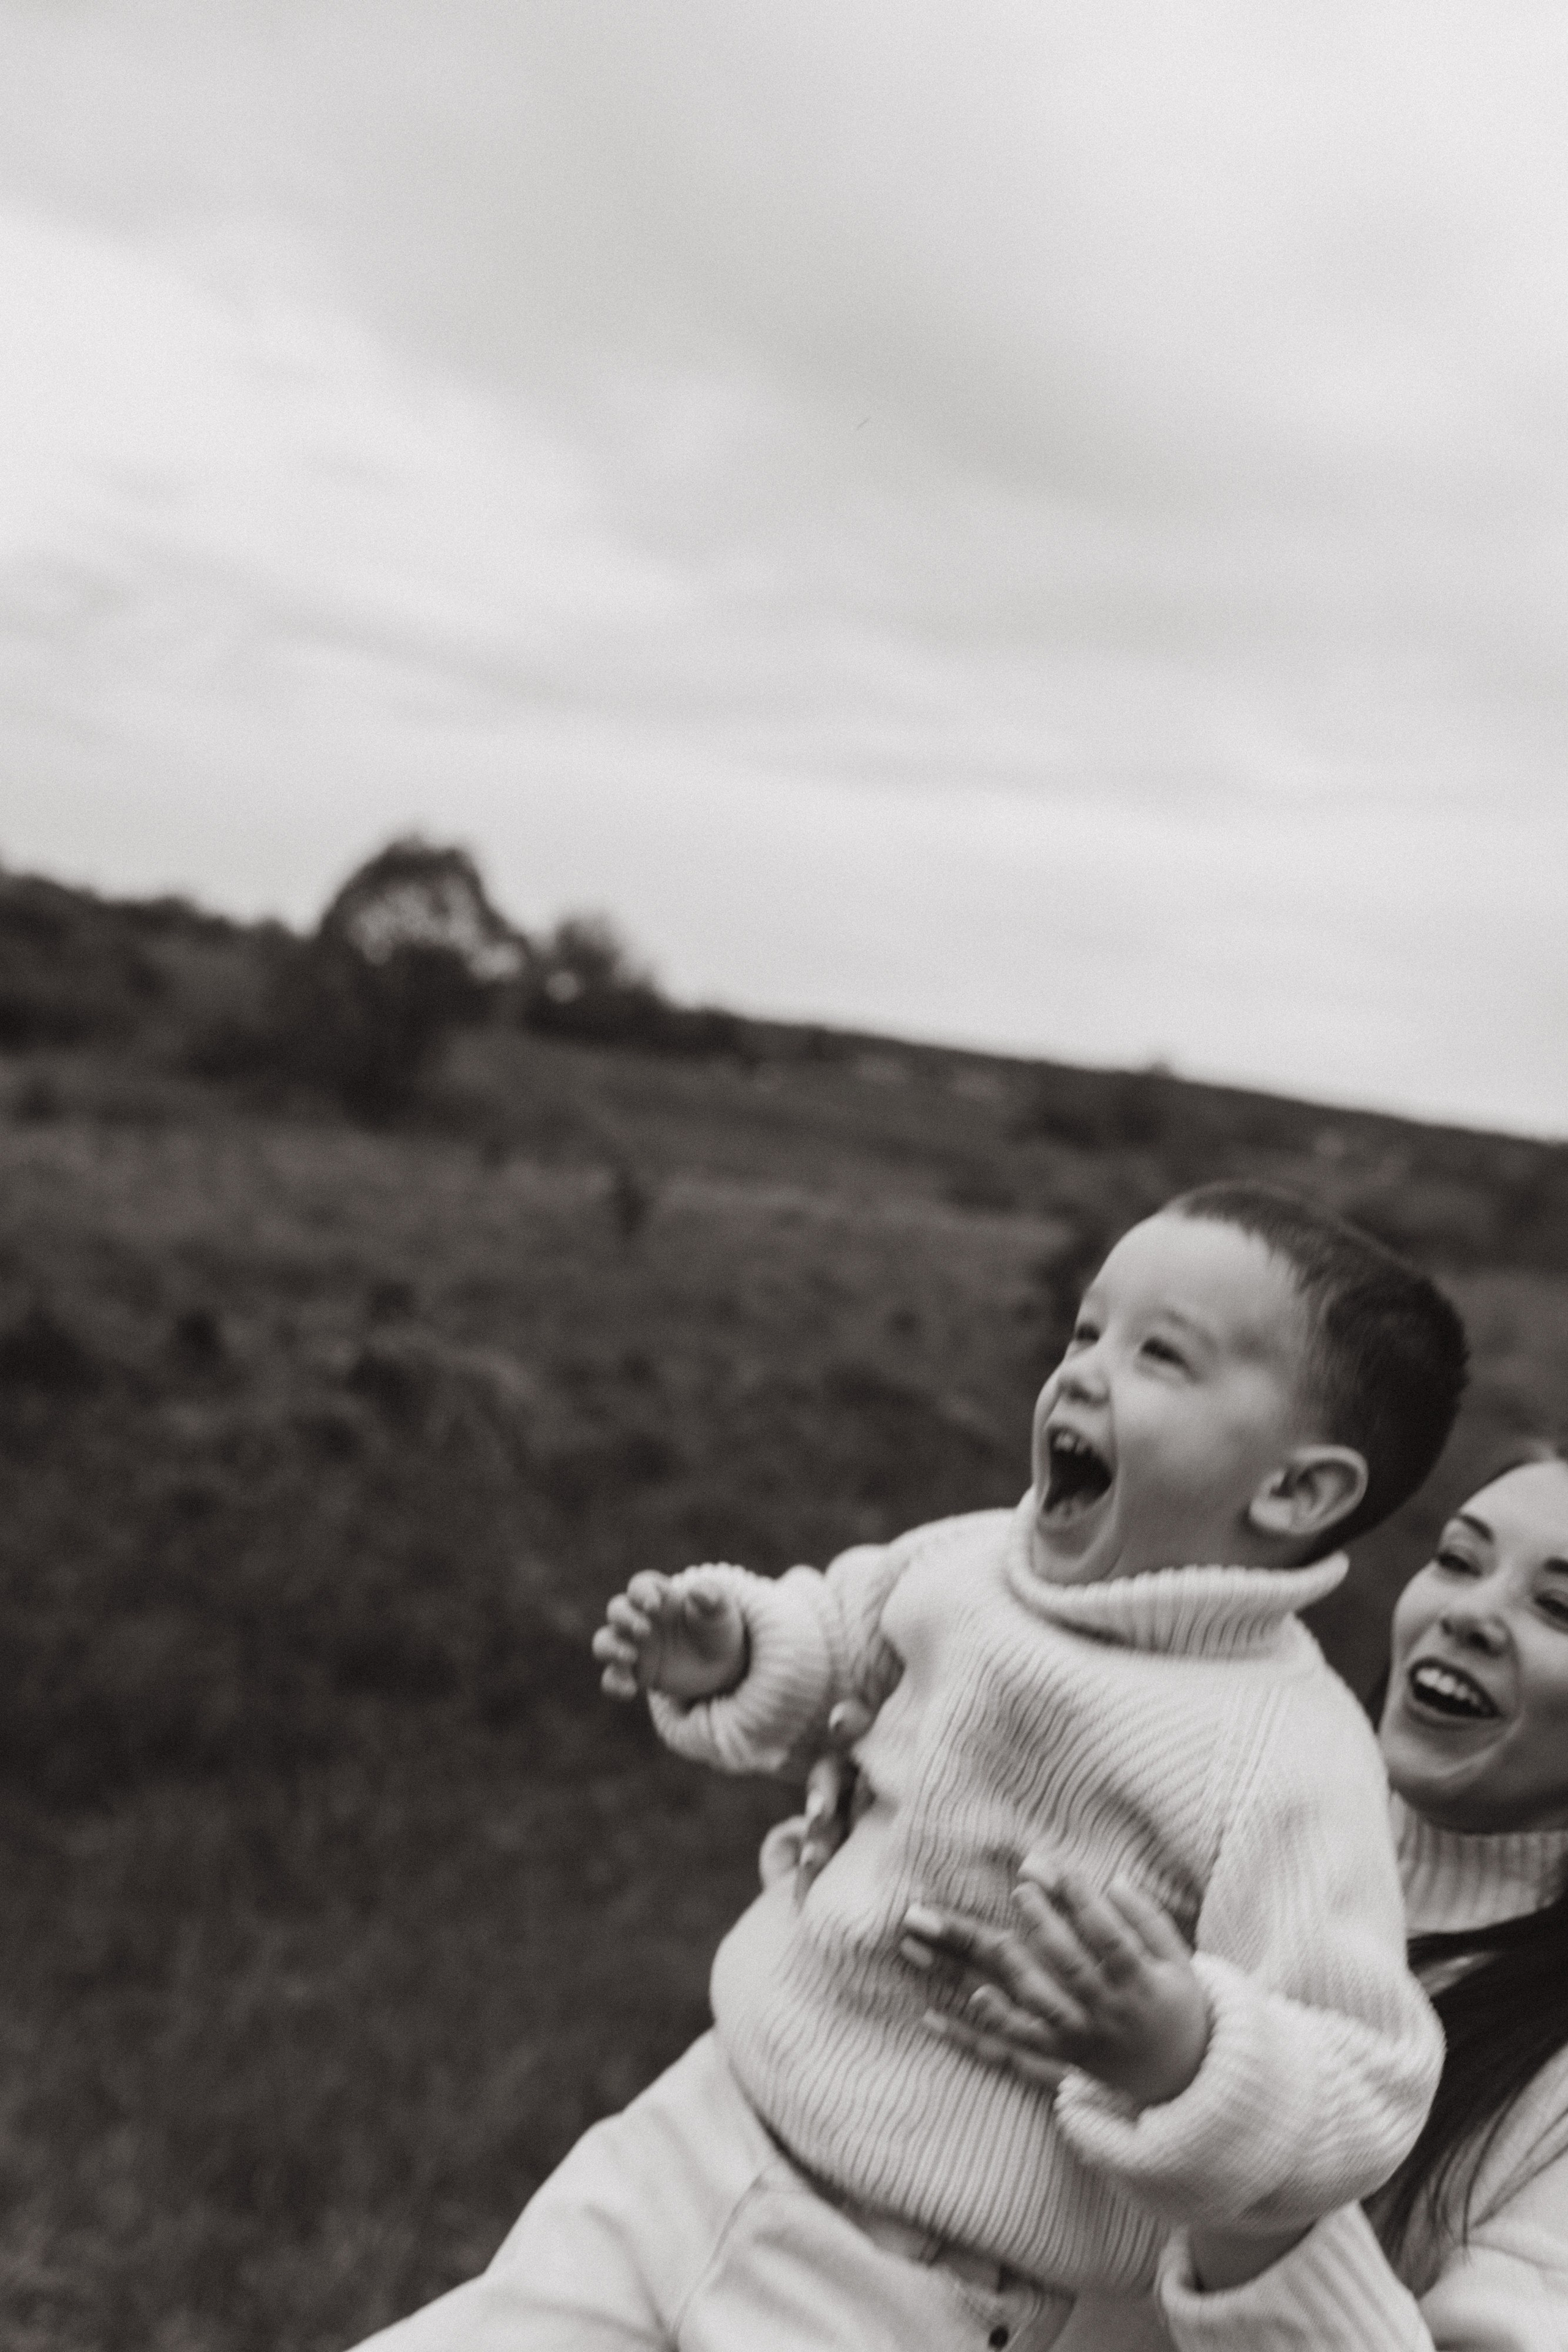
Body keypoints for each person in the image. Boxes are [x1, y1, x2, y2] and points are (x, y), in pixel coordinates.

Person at [349, 1183, 1467, 2352]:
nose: (1083, 1370)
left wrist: (1184, 2051)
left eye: (1161, 1356)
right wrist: (735, 1648)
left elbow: (1363, 2079)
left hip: (913, 2283)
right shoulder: (975, 1560)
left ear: (1296, 1489)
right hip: (699, 2134)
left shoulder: (1287, 1753)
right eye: (1086, 1331)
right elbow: (840, 1637)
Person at [913, 1449, 1568, 2351]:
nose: (1468, 1615)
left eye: (1558, 1609)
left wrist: (1213, 2110)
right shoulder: (1232, 1791)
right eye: (1458, 1560)